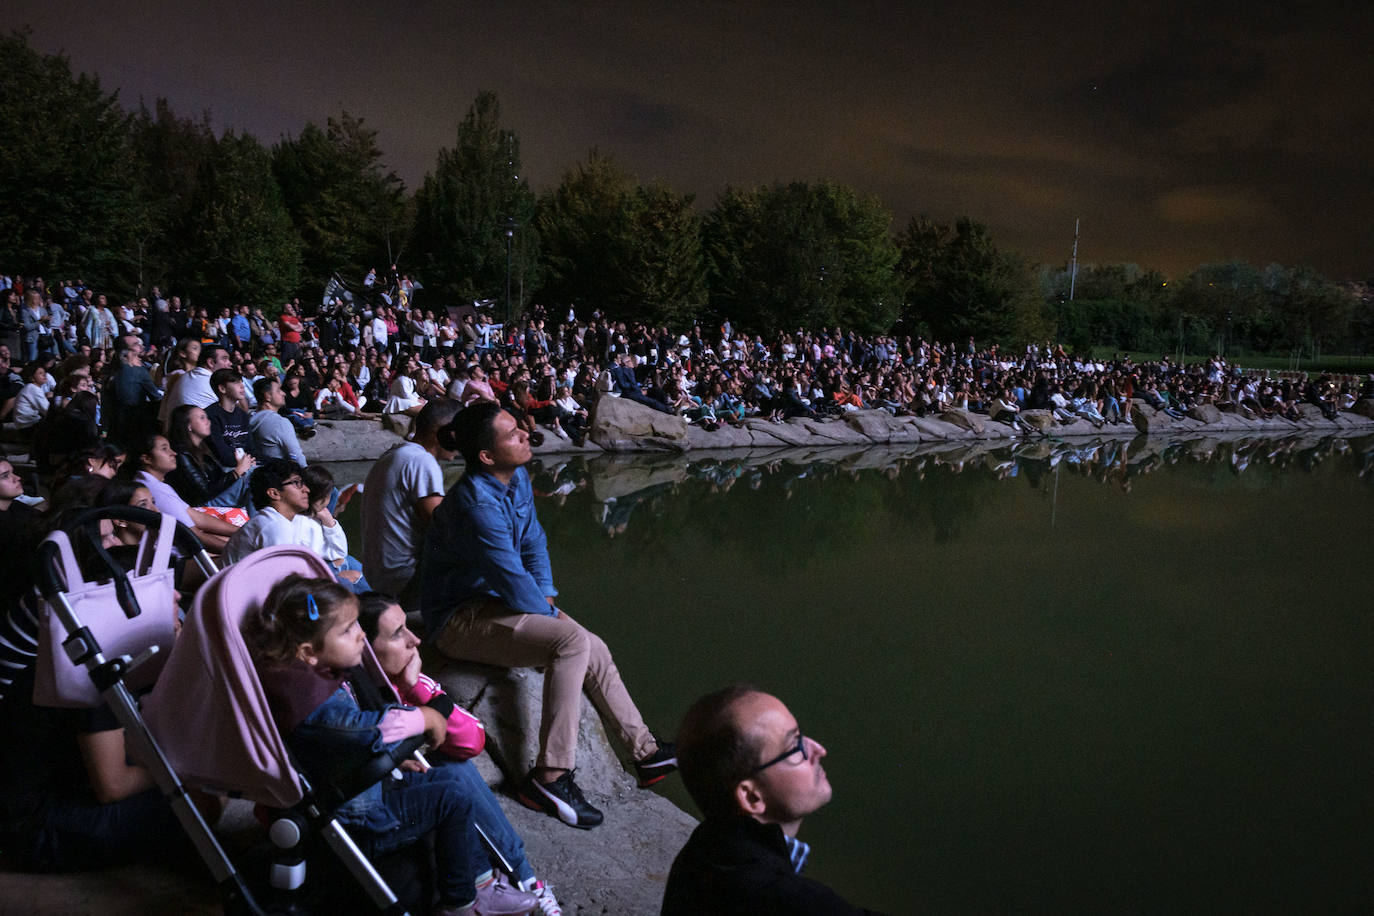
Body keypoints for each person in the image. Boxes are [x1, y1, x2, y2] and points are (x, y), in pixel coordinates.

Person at [420, 402, 676, 828]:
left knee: (593, 646)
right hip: (458, 618)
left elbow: (533, 541)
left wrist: (548, 598)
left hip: (497, 601)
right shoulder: (474, 505)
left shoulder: (516, 477)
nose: (525, 433)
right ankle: (550, 777)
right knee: (571, 641)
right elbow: (509, 576)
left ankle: (646, 753)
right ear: (486, 456)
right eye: (512, 434)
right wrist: (547, 613)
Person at [240, 576, 538, 916]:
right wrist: (423, 717)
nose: (360, 635)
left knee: (449, 780)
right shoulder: (310, 700)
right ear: (309, 653)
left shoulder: (319, 677)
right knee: (452, 796)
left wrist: (394, 757)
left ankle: (483, 882)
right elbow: (367, 729)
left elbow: (340, 746)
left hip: (363, 793)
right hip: (362, 820)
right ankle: (463, 902)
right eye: (348, 629)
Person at [356, 593, 563, 916]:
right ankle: (510, 884)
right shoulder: (351, 696)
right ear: (365, 648)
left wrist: (415, 688)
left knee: (455, 763)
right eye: (397, 634)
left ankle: (523, 879)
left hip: (399, 780)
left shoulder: (408, 678)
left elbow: (473, 740)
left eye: (408, 627)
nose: (415, 640)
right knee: (452, 779)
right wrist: (426, 716)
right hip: (376, 800)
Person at [662, 686, 885, 915]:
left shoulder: (703, 848)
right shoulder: (792, 902)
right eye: (795, 747)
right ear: (752, 796)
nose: (819, 750)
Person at [360, 399, 459, 603]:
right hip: (406, 578)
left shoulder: (394, 454)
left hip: (380, 576)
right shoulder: (422, 461)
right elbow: (442, 527)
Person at [222, 459, 346, 570]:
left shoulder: (278, 521)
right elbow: (286, 580)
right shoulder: (275, 525)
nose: (306, 490)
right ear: (274, 493)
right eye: (296, 483)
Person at [250, 377, 308, 466]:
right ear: (267, 396)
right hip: (279, 471)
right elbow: (297, 457)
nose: (283, 393)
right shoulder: (279, 422)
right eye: (278, 390)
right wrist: (305, 472)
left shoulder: (249, 419)